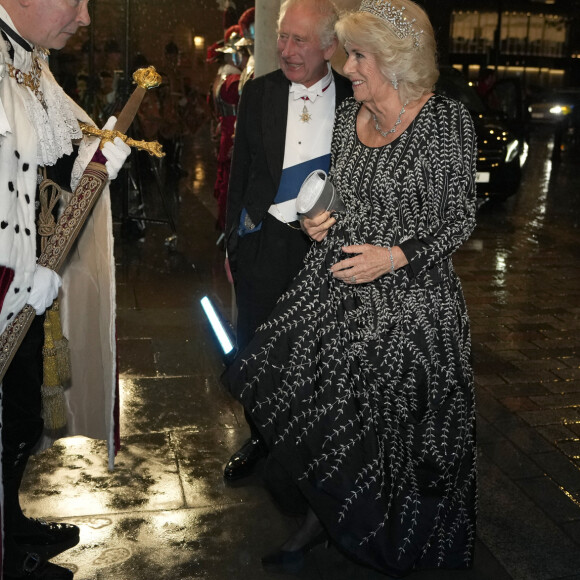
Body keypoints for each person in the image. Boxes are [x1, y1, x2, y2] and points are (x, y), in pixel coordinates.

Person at [223, 0, 478, 576]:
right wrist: (320, 218)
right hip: (334, 295)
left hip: (412, 311)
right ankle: (326, 521)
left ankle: (404, 542)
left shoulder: (445, 122)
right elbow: (342, 193)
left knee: (400, 442)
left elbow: (459, 218)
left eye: (359, 56)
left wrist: (393, 257)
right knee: (322, 421)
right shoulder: (348, 117)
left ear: (395, 60)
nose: (349, 67)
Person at [0, 0, 131, 578]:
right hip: (8, 283)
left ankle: (9, 522)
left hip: (27, 285)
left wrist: (88, 165)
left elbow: (48, 158)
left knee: (21, 417)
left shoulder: (34, 60)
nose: (84, 17)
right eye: (73, 1)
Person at [223, 0, 352, 482]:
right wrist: (233, 242)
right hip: (265, 239)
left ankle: (311, 443)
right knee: (254, 346)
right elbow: (240, 173)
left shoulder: (354, 97)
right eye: (283, 37)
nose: (286, 50)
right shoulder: (258, 93)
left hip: (325, 246)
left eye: (300, 40)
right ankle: (260, 438)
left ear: (329, 46)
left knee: (317, 349)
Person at [212, 25, 246, 233]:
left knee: (226, 180)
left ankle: (225, 225)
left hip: (226, 129)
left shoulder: (222, 77)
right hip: (232, 131)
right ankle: (228, 226)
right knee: (230, 184)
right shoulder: (233, 80)